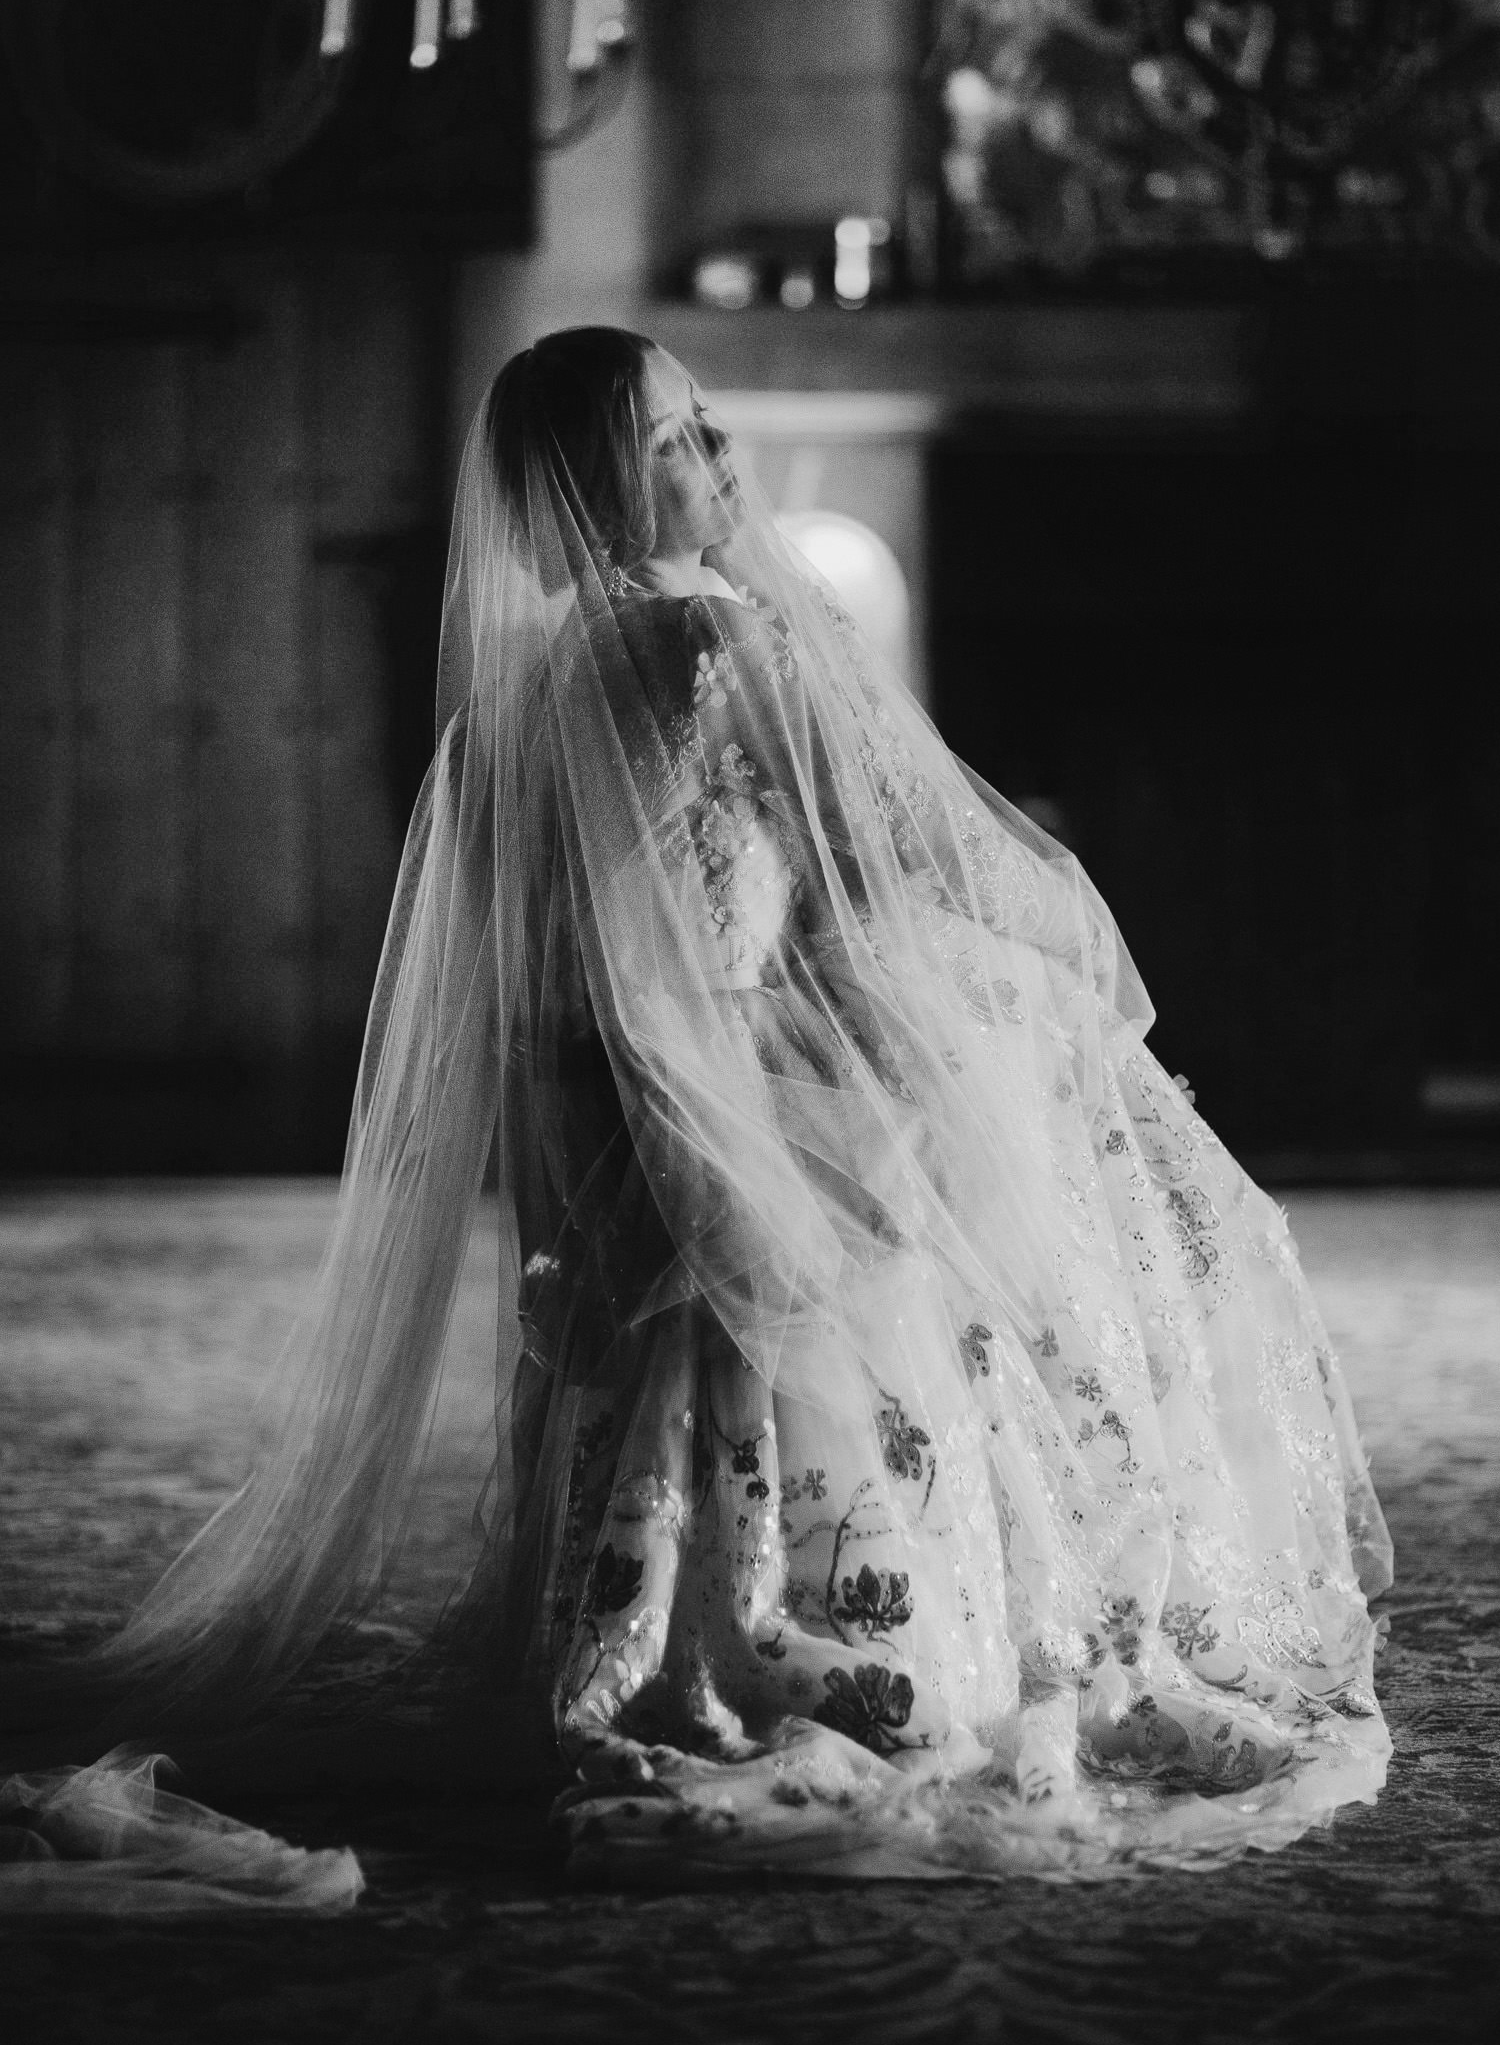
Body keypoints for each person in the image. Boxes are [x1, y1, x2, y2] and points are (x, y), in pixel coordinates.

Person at [0, 328, 1392, 1905]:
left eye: (708, 426)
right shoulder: (717, 648)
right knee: (1023, 1163)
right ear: (601, 481)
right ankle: (881, 1642)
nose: (721, 459)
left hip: (616, 1134)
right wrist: (1037, 963)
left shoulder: (511, 702)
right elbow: (903, 866)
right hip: (752, 1098)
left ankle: (658, 1633)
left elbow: (568, 976)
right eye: (678, 436)